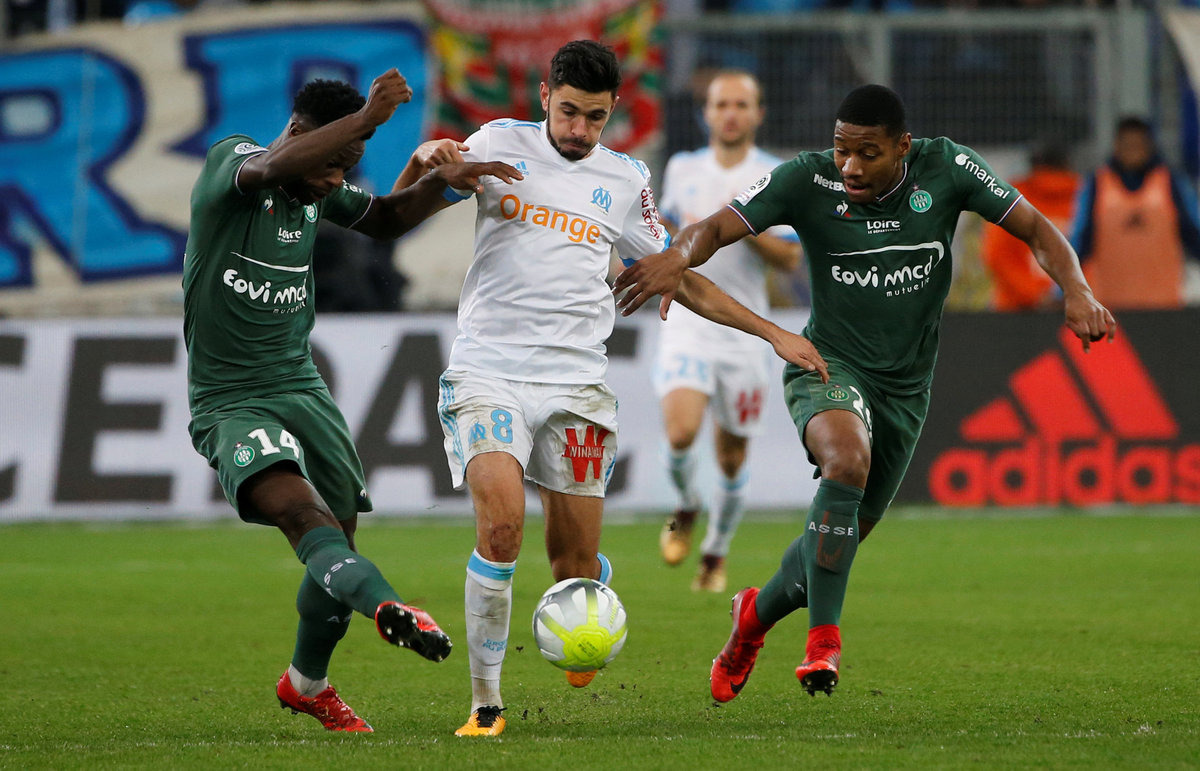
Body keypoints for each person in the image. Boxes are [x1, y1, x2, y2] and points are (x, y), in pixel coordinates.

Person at [613, 84, 1116, 701]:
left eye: (868, 154)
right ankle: (823, 642)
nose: (850, 166)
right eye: (841, 149)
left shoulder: (949, 167)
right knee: (846, 462)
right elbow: (715, 227)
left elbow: (1036, 228)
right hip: (827, 365)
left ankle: (752, 618)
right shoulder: (806, 179)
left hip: (906, 388)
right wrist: (676, 256)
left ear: (903, 147)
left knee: (832, 546)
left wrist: (1078, 290)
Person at [393, 40, 825, 737]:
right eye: (568, 112)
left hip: (576, 385)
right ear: (545, 96)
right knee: (502, 528)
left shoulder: (625, 179)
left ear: (613, 110)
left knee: (574, 568)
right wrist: (426, 163)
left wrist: (771, 331)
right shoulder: (497, 142)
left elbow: (678, 274)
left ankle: (586, 587)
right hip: (488, 371)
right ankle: (485, 704)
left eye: (595, 117)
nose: (579, 130)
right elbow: (401, 208)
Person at [182, 70, 520, 733]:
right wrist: (367, 117)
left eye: (348, 167)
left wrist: (449, 183)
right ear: (300, 132)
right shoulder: (236, 163)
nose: (336, 179)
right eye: (331, 163)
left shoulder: (317, 190)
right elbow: (272, 166)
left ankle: (306, 682)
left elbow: (386, 218)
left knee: (339, 538)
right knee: (303, 517)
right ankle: (391, 607)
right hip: (230, 400)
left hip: (301, 388)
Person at [653, 70, 802, 593]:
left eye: (741, 104)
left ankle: (715, 554)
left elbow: (790, 259)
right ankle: (687, 504)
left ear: (758, 114)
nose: (731, 114)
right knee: (680, 433)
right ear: (707, 114)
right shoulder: (682, 167)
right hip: (688, 321)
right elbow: (665, 233)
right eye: (721, 105)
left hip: (744, 331)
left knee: (732, 455)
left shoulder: (772, 174)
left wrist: (740, 221)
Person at [1070, 115, 1200, 309]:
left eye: (1138, 145)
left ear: (1149, 146)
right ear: (1116, 146)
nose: (1133, 151)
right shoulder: (1098, 184)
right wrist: (1062, 288)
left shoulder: (1170, 183)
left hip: (1164, 305)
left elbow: (1193, 234)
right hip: (1110, 307)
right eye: (1127, 145)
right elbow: (1080, 242)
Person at [980, 141, 1080, 310]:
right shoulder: (1086, 195)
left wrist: (1035, 295)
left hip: (1017, 312)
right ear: (1067, 164)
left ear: (1032, 165)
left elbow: (997, 255)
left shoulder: (1011, 198)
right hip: (1079, 310)